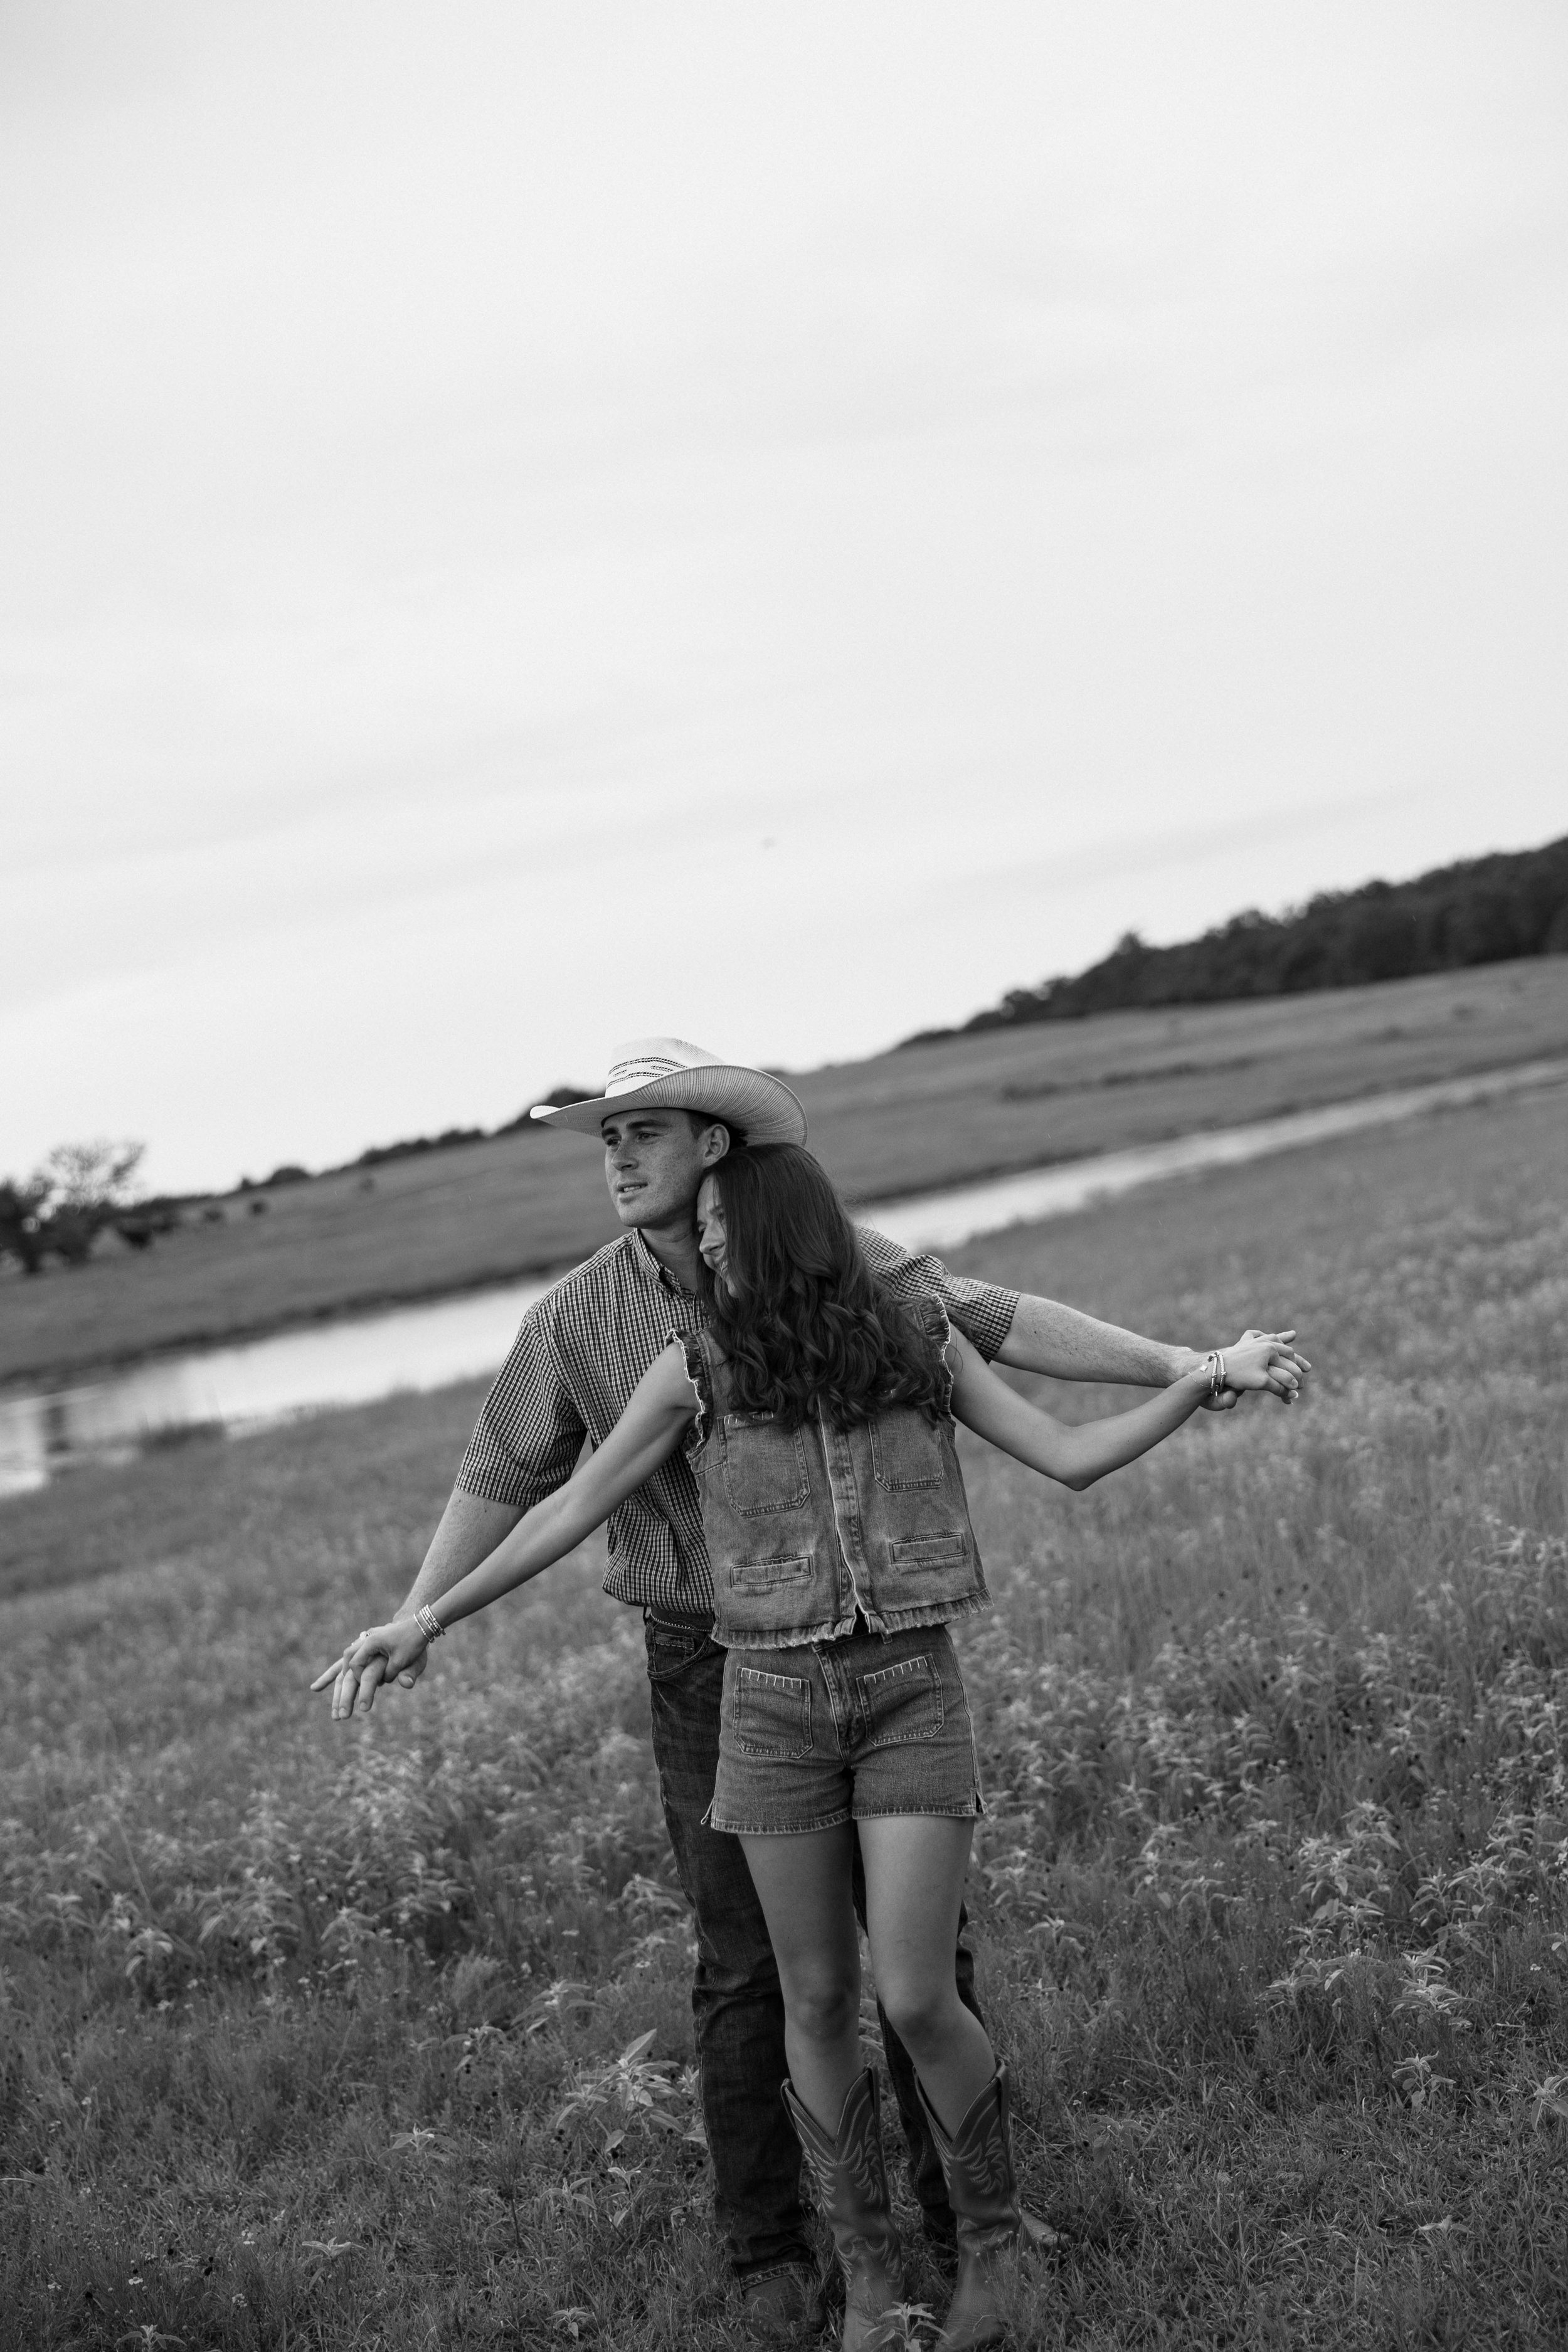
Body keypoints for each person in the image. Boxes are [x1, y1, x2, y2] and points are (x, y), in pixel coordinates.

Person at [316, 1038, 1306, 2345]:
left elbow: (1018, 1352)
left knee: (916, 1972)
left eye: (643, 1135)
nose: (618, 1162)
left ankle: (980, 2245)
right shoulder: (593, 1325)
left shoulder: (885, 1293)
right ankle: (793, 2259)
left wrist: (1193, 1365)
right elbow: (527, 1486)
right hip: (721, 1664)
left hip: (897, 1659)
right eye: (605, 1140)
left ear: (719, 1158)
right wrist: (420, 1612)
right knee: (768, 1978)